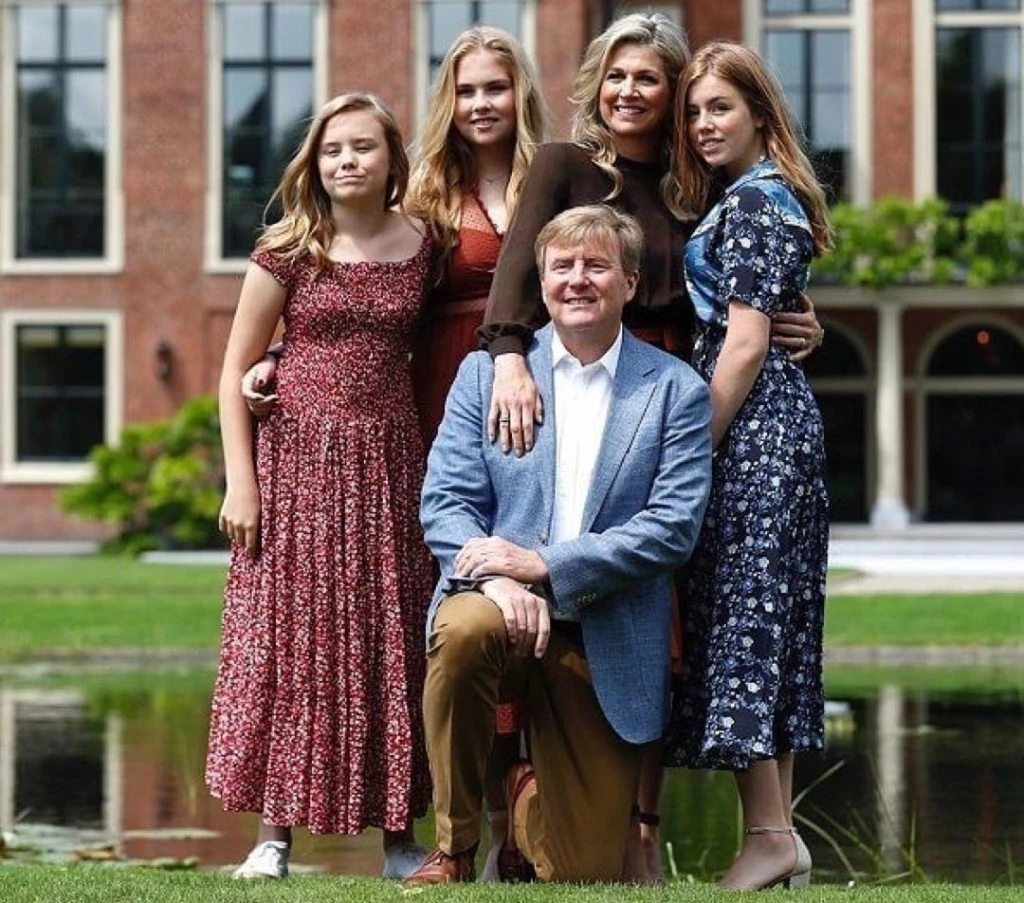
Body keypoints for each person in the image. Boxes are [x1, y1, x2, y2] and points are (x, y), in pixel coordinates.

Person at [476, 12, 822, 883]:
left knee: (666, 621)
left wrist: (797, 320)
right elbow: (518, 274)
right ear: (596, 82)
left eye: (652, 80)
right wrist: (509, 358)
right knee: (558, 590)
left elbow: (744, 299)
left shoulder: (693, 185)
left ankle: (648, 832)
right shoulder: (565, 166)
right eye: (618, 75)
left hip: (676, 394)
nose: (631, 91)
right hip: (580, 381)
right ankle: (512, 825)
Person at [402, 204, 713, 886]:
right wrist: (500, 582)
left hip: (603, 628)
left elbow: (672, 527)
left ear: (630, 283)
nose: (577, 280)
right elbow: (446, 503)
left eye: (596, 266)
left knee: (583, 875)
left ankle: (524, 803)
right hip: (498, 606)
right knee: (462, 630)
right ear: (541, 282)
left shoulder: (675, 391)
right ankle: (454, 849)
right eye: (562, 266)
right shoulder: (485, 377)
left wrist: (545, 565)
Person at [206, 92, 434, 881]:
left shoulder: (426, 244)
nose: (346, 160)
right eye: (333, 149)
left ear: (391, 158)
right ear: (314, 164)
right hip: (296, 465)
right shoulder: (288, 249)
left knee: (390, 642)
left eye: (363, 146)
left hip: (390, 465)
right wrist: (242, 484)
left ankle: (401, 840)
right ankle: (272, 838)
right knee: (292, 644)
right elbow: (234, 371)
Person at [662, 41, 831, 891]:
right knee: (770, 617)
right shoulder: (755, 196)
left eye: (719, 107)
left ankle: (768, 833)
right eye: (693, 112)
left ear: (760, 113)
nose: (702, 124)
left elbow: (746, 343)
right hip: (770, 423)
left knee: (746, 617)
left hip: (753, 428)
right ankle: (779, 835)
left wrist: (692, 450)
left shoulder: (759, 202)